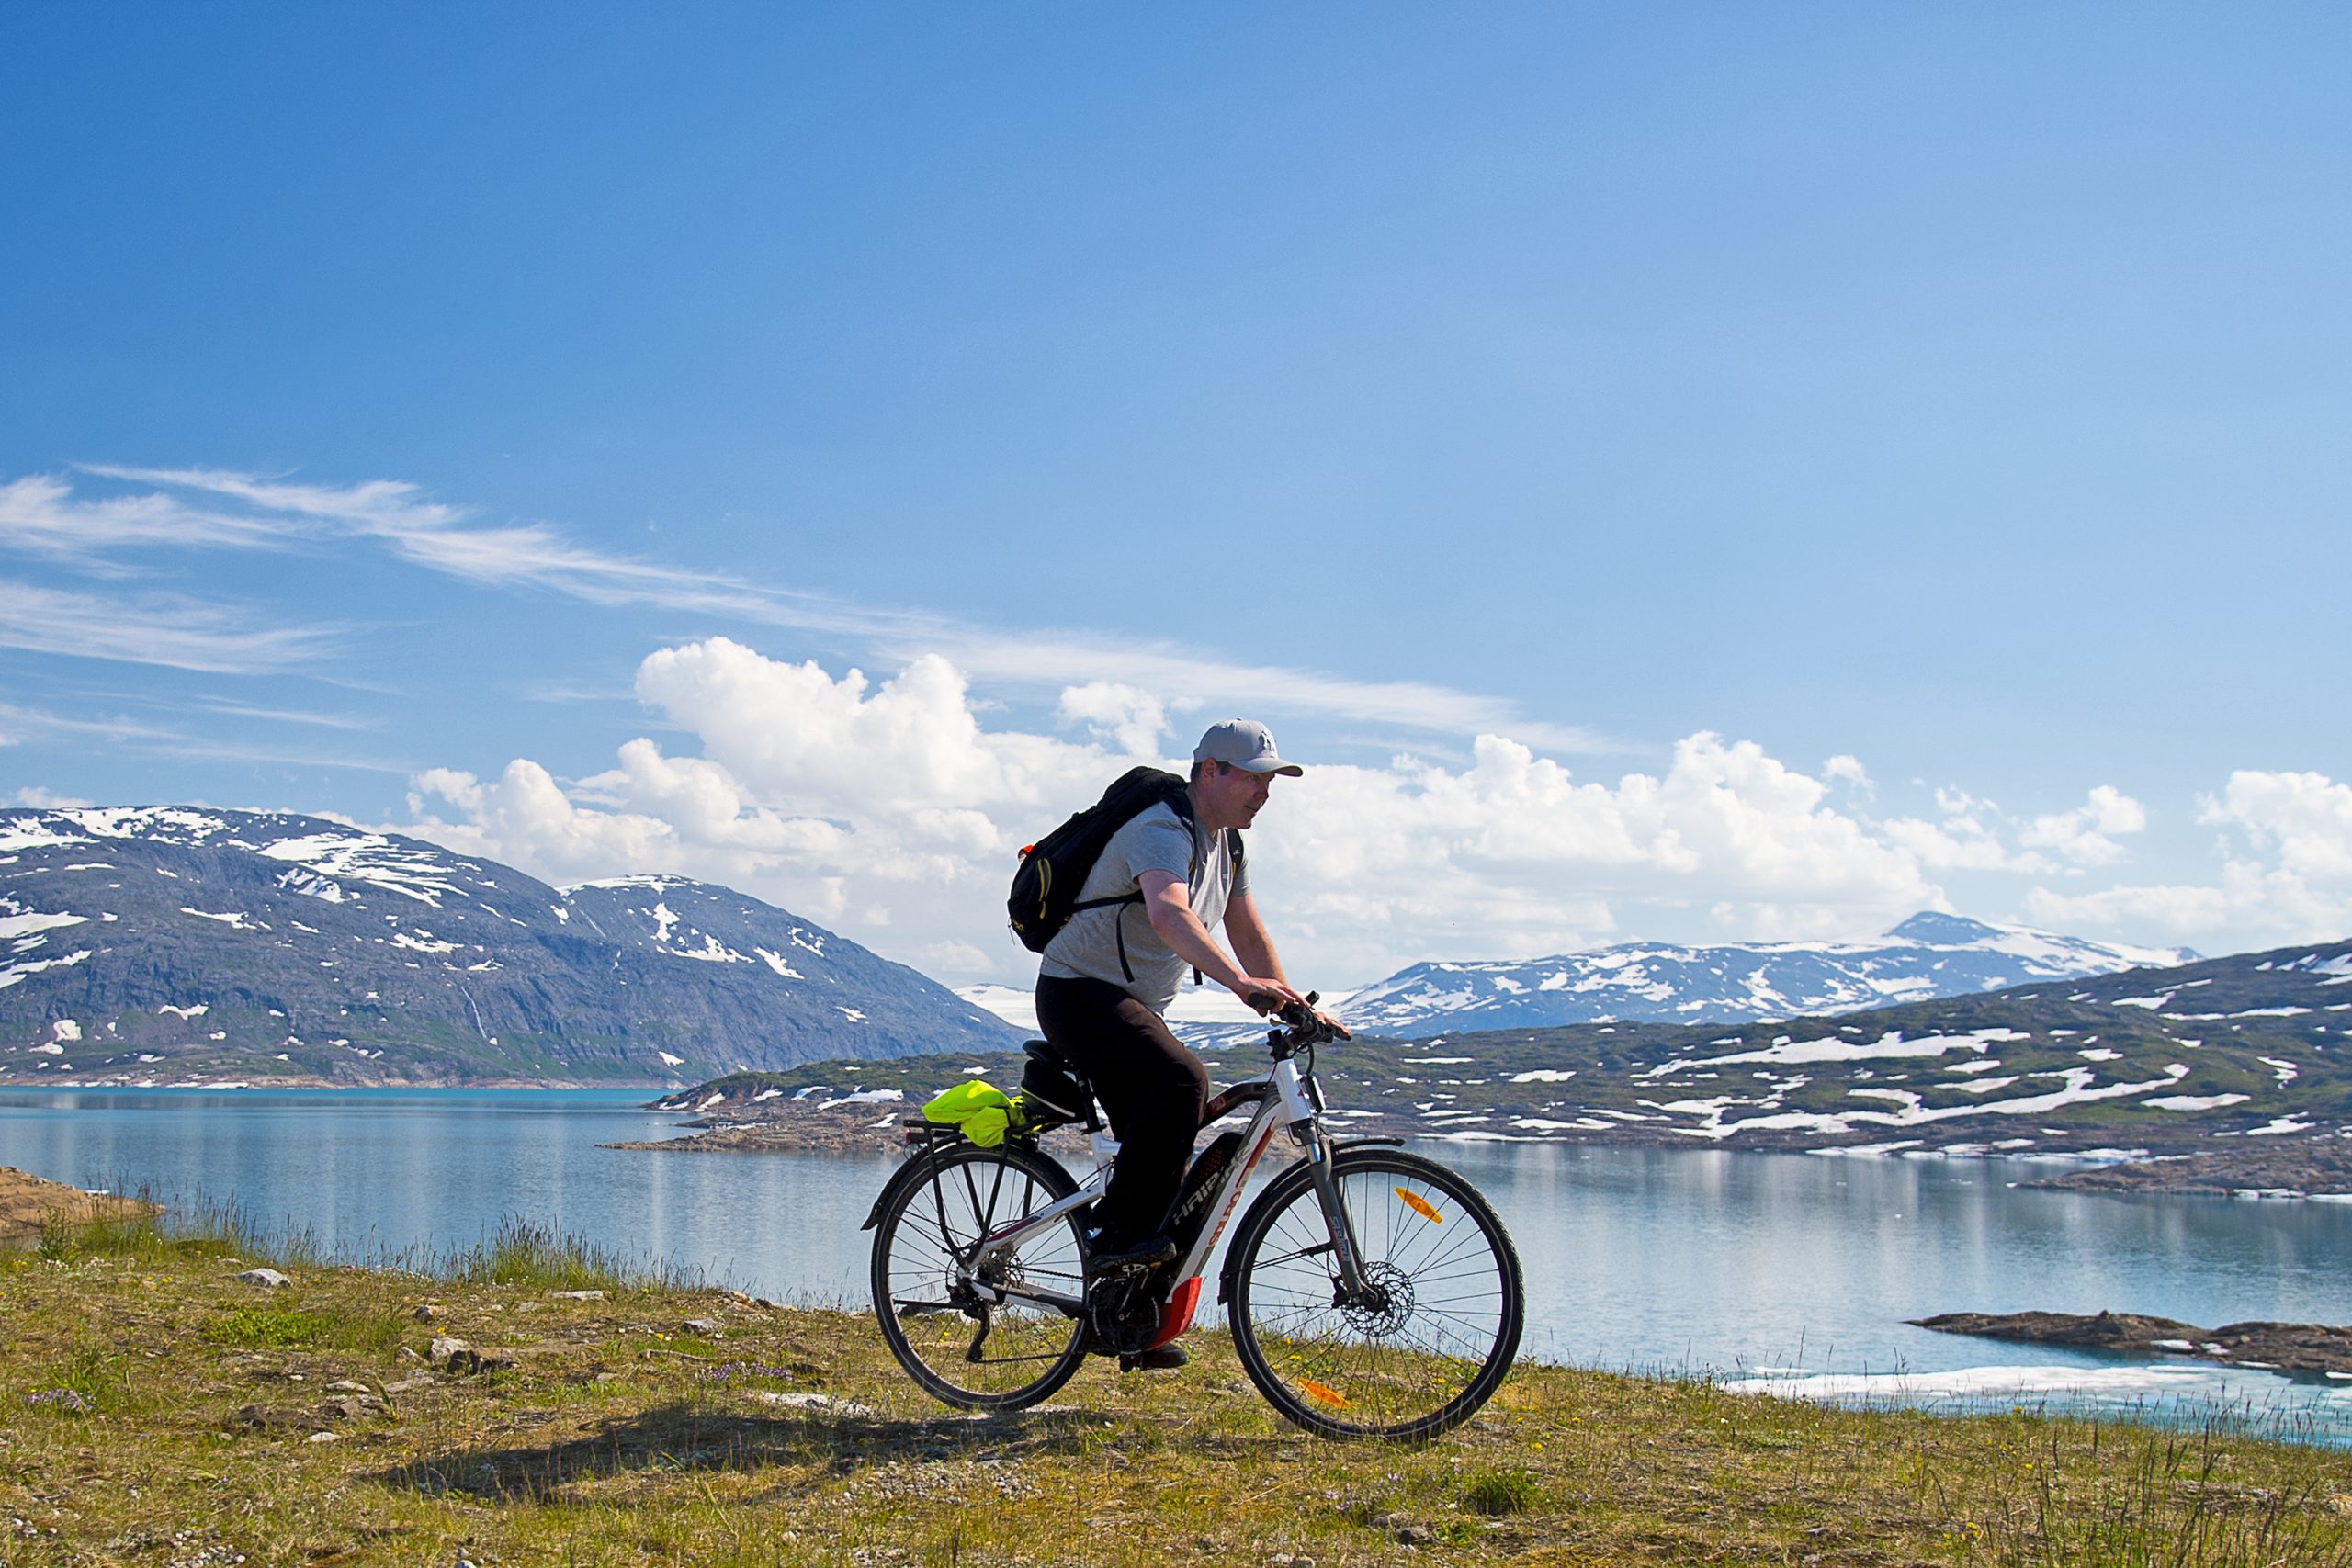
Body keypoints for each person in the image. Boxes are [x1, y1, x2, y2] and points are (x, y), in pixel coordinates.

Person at [1034, 718, 1349, 1367]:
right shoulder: (1161, 825)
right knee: (1183, 1083)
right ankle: (1113, 1243)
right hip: (1078, 993)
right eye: (1255, 779)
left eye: (1272, 781)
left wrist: (1288, 999)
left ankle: (1127, 1319)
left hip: (1129, 1002)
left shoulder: (1228, 846)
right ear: (1211, 771)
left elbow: (1247, 927)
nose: (1265, 792)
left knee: (1169, 1152)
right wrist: (1241, 985)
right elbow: (1169, 911)